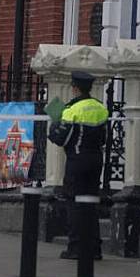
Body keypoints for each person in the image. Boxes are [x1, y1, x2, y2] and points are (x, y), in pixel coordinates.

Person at [48, 71, 109, 260]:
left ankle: (75, 247)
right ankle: (95, 248)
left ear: (74, 88)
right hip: (96, 160)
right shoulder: (100, 107)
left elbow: (60, 138)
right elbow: (104, 138)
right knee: (91, 202)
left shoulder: (70, 110)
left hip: (77, 159)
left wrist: (54, 125)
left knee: (73, 202)